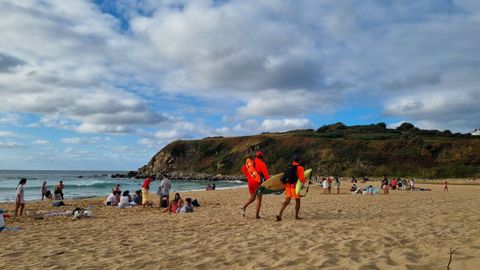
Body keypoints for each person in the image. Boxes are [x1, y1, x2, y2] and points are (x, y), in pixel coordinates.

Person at [276, 155, 306, 221]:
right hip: (294, 187)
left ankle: (280, 213)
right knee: (297, 201)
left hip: (287, 186)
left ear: (293, 160)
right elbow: (301, 179)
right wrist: (304, 180)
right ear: (299, 161)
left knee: (287, 201)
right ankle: (296, 216)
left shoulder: (288, 167)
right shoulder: (300, 168)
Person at [241, 151, 270, 219]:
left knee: (253, 197)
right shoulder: (262, 164)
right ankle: (257, 215)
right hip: (257, 182)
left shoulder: (251, 163)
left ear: (256, 156)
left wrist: (248, 176)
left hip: (250, 182)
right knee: (259, 198)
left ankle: (244, 207)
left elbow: (243, 168)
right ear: (262, 156)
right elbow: (266, 177)